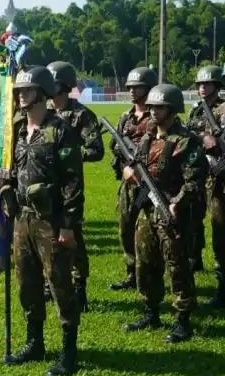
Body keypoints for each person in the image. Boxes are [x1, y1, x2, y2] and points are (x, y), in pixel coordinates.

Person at [2, 66, 84, 376]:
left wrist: (67, 225)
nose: (21, 94)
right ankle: (34, 342)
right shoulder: (18, 129)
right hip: (22, 218)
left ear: (43, 92)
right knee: (27, 283)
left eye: (27, 89)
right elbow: (9, 169)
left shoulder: (59, 130)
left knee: (60, 284)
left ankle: (69, 351)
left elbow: (72, 182)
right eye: (19, 90)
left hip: (52, 220)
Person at [122, 84, 206, 343]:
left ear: (172, 109)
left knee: (177, 266)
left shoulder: (185, 140)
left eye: (159, 107)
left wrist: (176, 203)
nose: (154, 112)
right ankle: (151, 311)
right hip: (147, 210)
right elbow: (136, 164)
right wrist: (130, 173)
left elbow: (194, 180)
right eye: (152, 107)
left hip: (172, 212)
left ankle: (183, 319)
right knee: (145, 262)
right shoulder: (148, 136)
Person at [48, 61, 105, 311]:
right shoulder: (45, 112)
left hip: (69, 185)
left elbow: (96, 150)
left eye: (54, 82)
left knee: (72, 237)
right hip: (46, 185)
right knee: (48, 234)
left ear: (65, 85)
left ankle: (79, 286)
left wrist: (69, 155)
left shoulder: (82, 115)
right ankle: (50, 285)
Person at [109, 67, 157, 291]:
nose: (131, 91)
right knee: (125, 227)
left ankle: (149, 275)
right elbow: (116, 148)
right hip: (128, 182)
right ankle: (132, 272)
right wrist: (124, 167)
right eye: (129, 87)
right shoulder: (125, 117)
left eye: (136, 87)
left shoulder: (156, 116)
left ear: (147, 89)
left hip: (150, 183)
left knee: (150, 232)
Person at [186, 65, 224, 276]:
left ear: (217, 85)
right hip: (196, 172)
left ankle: (221, 274)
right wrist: (202, 137)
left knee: (218, 223)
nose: (202, 87)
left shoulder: (223, 109)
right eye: (200, 84)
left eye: (206, 83)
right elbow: (187, 133)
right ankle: (194, 258)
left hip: (217, 174)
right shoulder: (196, 109)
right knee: (192, 217)